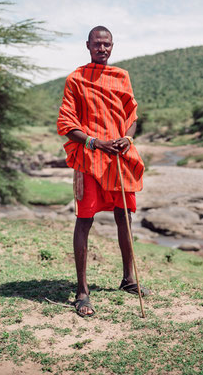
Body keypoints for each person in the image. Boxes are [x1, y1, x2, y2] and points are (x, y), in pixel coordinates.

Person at [57, 25, 151, 317]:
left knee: (125, 216)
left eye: (107, 44)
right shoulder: (76, 79)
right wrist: (97, 143)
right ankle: (82, 291)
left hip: (118, 159)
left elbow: (131, 116)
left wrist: (128, 138)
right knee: (84, 220)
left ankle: (128, 279)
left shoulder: (121, 77)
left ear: (112, 46)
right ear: (88, 45)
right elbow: (67, 125)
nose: (102, 49)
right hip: (90, 159)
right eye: (97, 44)